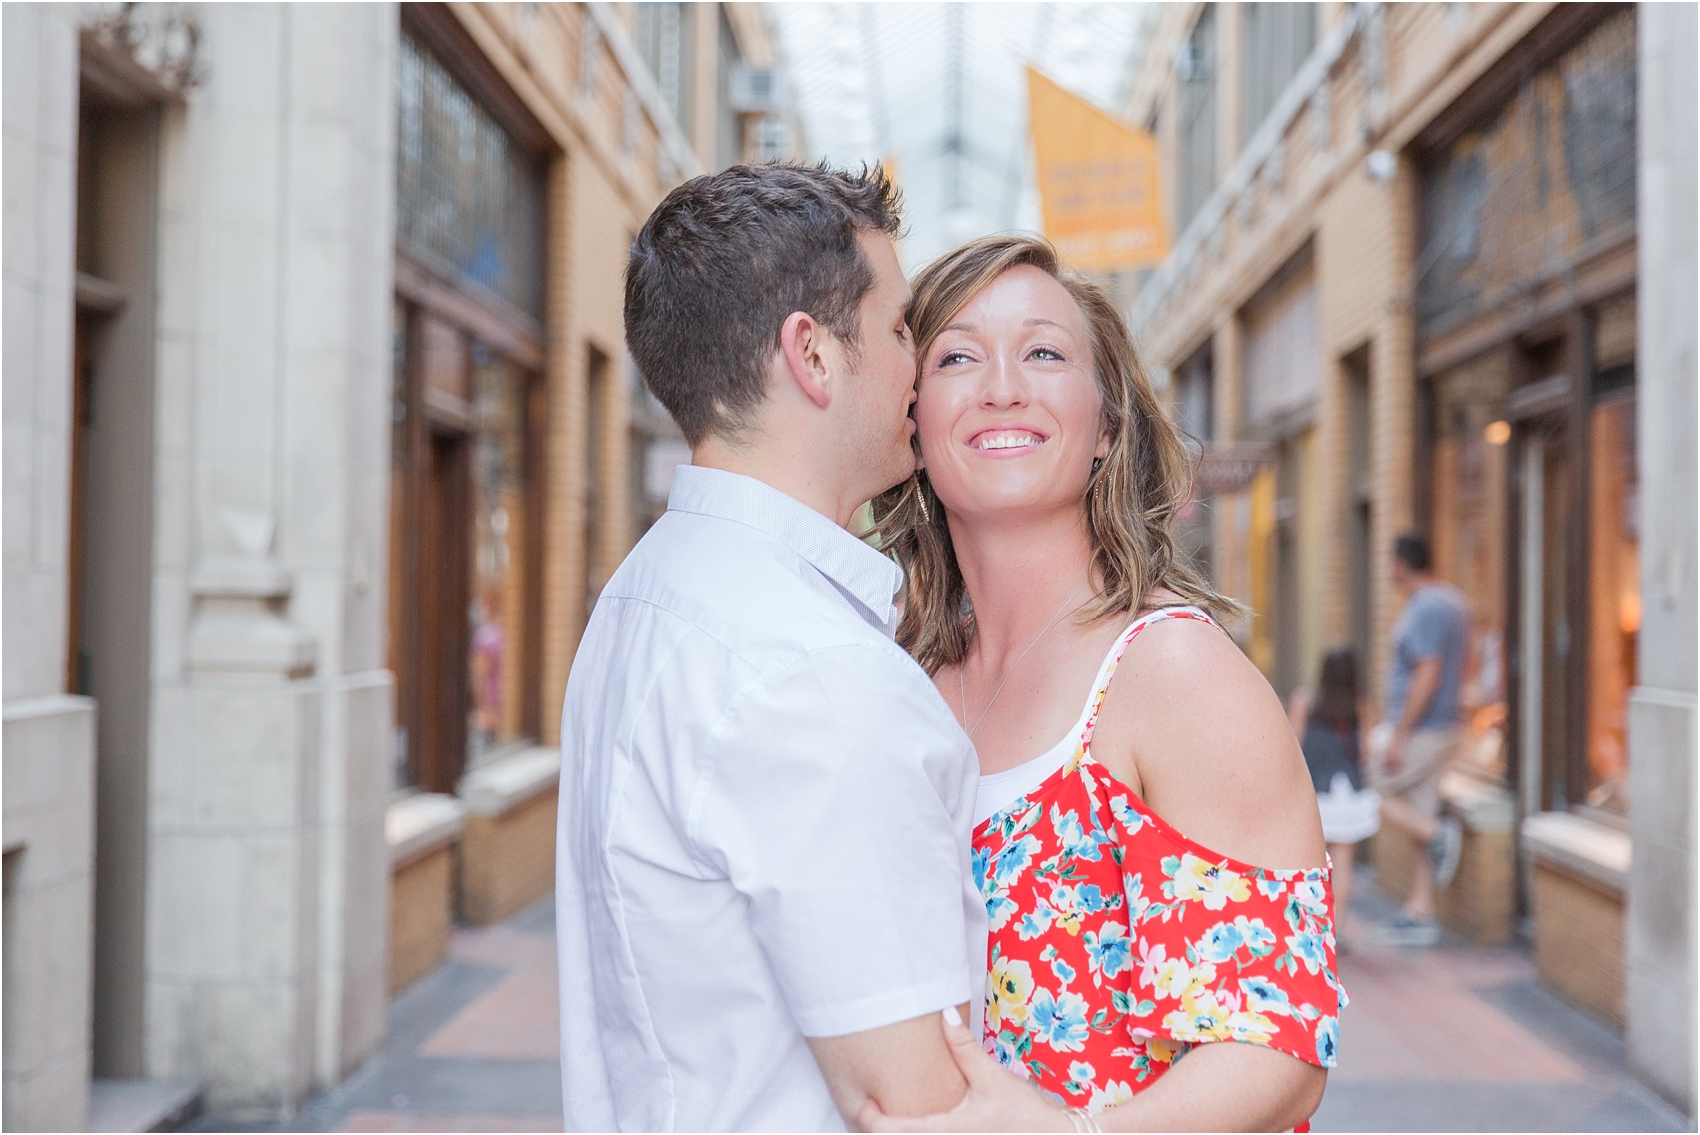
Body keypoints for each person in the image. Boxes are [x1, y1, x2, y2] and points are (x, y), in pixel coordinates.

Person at [864, 234, 1342, 1132]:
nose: (1002, 385)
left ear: (1107, 425)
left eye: (1043, 352)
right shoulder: (900, 676)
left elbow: (1281, 1044)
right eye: (957, 356)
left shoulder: (1171, 670)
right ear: (913, 425)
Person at [554, 164, 982, 1131]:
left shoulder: (644, 595)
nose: (924, 358)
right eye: (903, 327)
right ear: (814, 355)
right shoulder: (808, 669)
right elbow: (911, 1102)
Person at [1366, 533, 1468, 946]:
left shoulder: (1427, 606)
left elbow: (1428, 672)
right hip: (1440, 726)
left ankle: (1439, 834)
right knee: (1418, 806)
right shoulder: (1452, 601)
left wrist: (1400, 735)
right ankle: (1421, 912)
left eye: (1392, 562)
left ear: (1402, 564)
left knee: (1366, 790)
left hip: (1425, 730)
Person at [1287, 648, 1381, 951]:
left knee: (1310, 860)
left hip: (1318, 793)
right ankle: (1335, 932)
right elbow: (1366, 753)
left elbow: (1294, 744)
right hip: (1350, 793)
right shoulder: (1360, 707)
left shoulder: (1305, 701)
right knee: (1344, 863)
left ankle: (1308, 926)